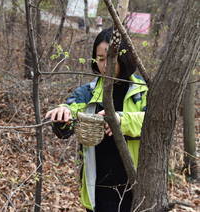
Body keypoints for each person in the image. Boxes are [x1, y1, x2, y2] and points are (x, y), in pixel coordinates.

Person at [45, 28, 148, 212]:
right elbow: (71, 111)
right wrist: (63, 115)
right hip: (98, 188)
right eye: (100, 58)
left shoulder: (143, 90)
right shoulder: (88, 92)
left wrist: (120, 121)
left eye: (110, 58)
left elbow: (152, 123)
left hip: (134, 188)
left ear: (123, 58)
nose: (104, 65)